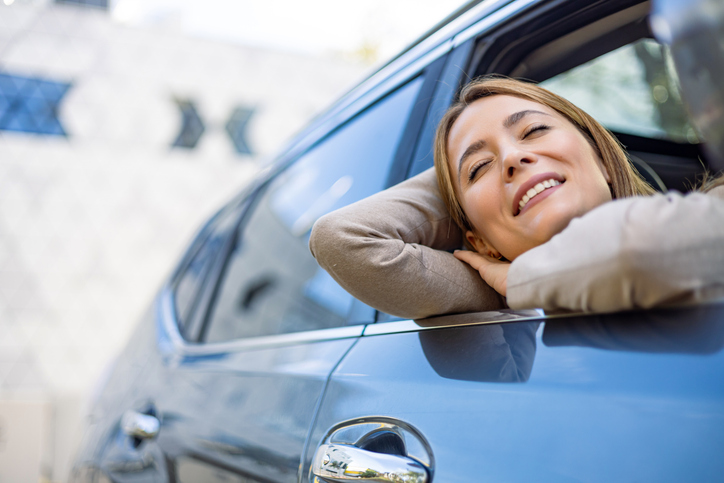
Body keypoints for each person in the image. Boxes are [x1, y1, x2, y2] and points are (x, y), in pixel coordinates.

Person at [309, 76, 724, 319]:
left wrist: (521, 278)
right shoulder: (509, 332)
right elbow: (345, 239)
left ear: (599, 153)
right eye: (479, 168)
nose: (512, 156)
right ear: (480, 244)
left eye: (535, 131)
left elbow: (636, 253)